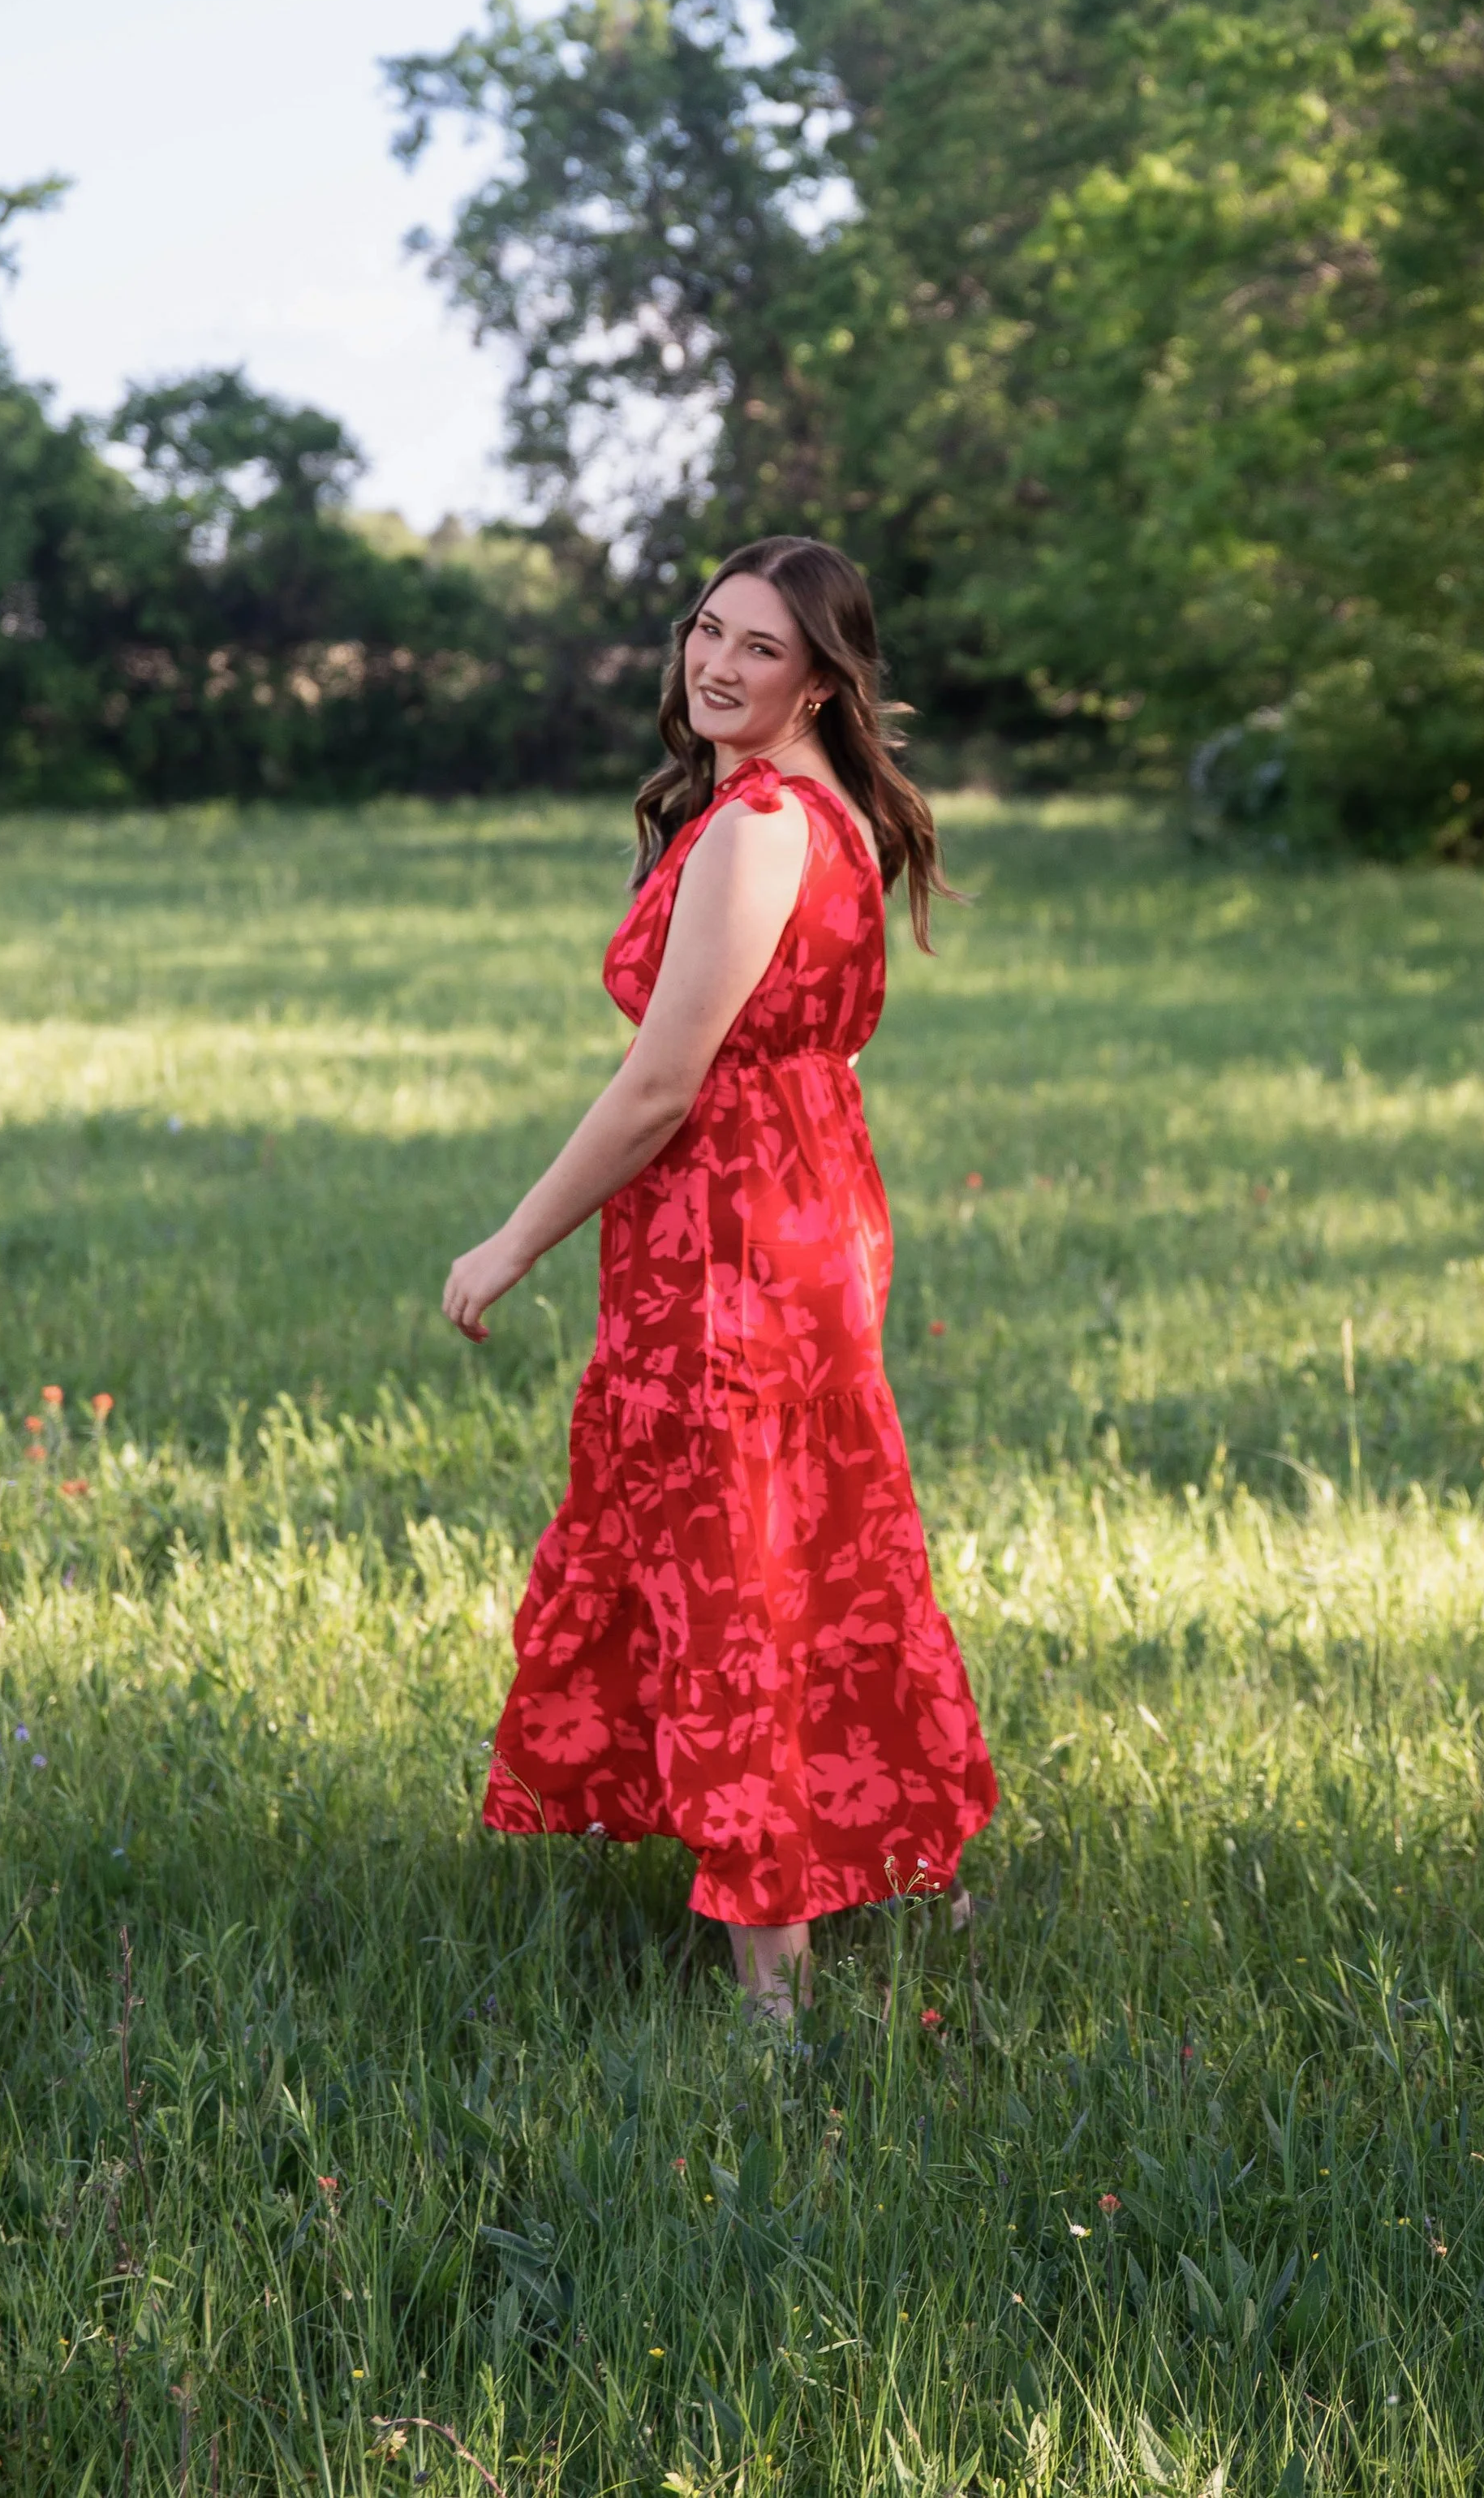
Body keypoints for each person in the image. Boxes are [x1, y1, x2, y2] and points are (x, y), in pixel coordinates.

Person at [442, 535, 998, 2020]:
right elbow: (823, 1042)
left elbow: (657, 1090)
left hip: (731, 1245)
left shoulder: (759, 826)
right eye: (708, 630)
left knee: (735, 1570)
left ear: (824, 679)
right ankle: (891, 1865)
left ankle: (773, 2002)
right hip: (808, 1215)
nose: (718, 664)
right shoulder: (834, 817)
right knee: (819, 1547)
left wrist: (508, 1244)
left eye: (761, 647)